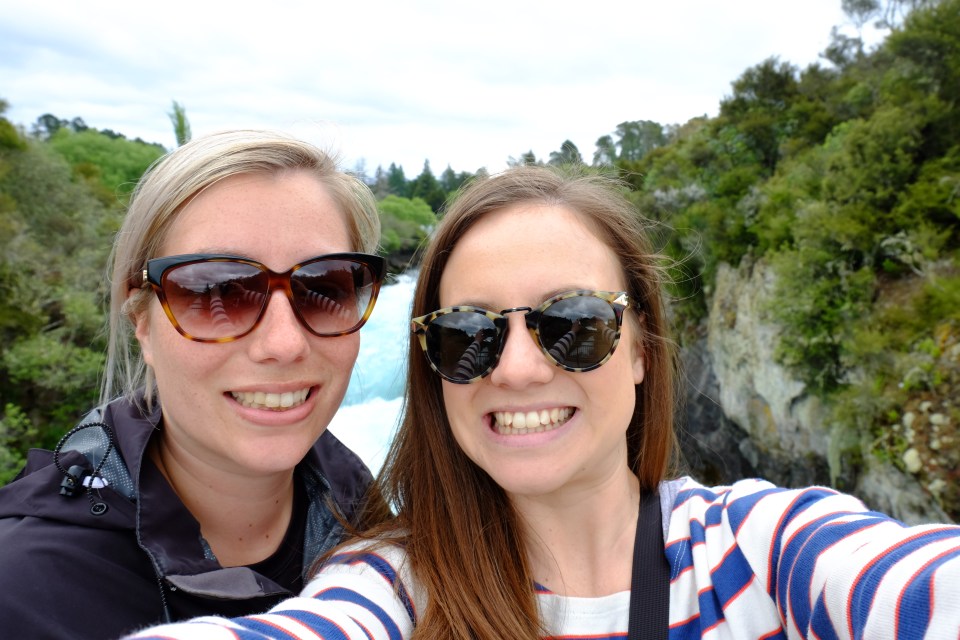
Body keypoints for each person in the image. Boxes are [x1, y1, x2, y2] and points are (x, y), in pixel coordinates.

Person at [125, 165, 960, 639]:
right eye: (467, 335)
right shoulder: (394, 589)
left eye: (573, 324)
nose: (518, 369)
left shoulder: (764, 549)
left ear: (639, 348)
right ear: (433, 368)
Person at [0, 129, 387, 639]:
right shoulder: (25, 595)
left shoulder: (374, 520)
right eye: (216, 289)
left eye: (323, 286)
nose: (284, 343)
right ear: (142, 321)